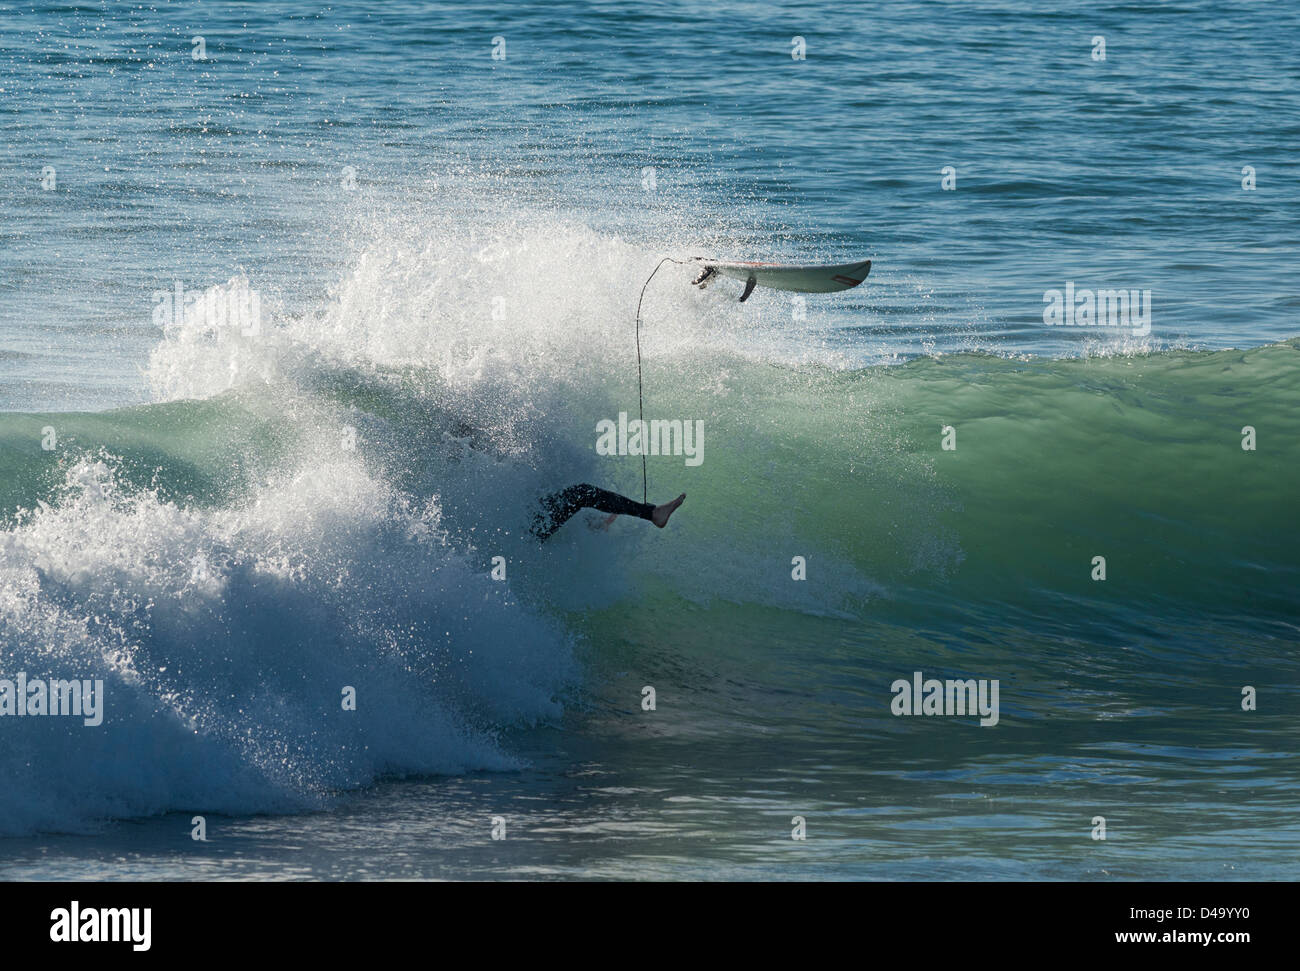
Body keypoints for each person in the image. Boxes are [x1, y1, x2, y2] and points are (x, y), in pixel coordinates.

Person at [531, 484, 685, 541]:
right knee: (581, 494)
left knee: (571, 496)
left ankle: (597, 523)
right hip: (528, 529)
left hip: (527, 525)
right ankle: (652, 514)